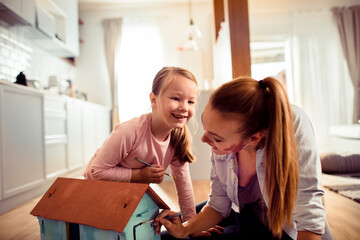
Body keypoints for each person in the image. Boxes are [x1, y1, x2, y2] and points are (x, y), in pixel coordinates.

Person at [156, 77, 333, 240]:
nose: (204, 139)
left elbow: (309, 214)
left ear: (254, 138)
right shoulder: (223, 138)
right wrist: (185, 229)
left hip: (281, 231)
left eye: (217, 138)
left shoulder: (292, 126)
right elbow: (219, 204)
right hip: (241, 212)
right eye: (205, 125)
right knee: (167, 236)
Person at [83, 66, 198, 221]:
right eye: (176, 98)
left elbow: (183, 184)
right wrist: (140, 175)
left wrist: (191, 224)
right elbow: (95, 172)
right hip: (99, 197)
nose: (184, 107)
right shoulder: (129, 132)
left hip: (128, 199)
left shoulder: (178, 139)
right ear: (153, 99)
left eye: (191, 101)